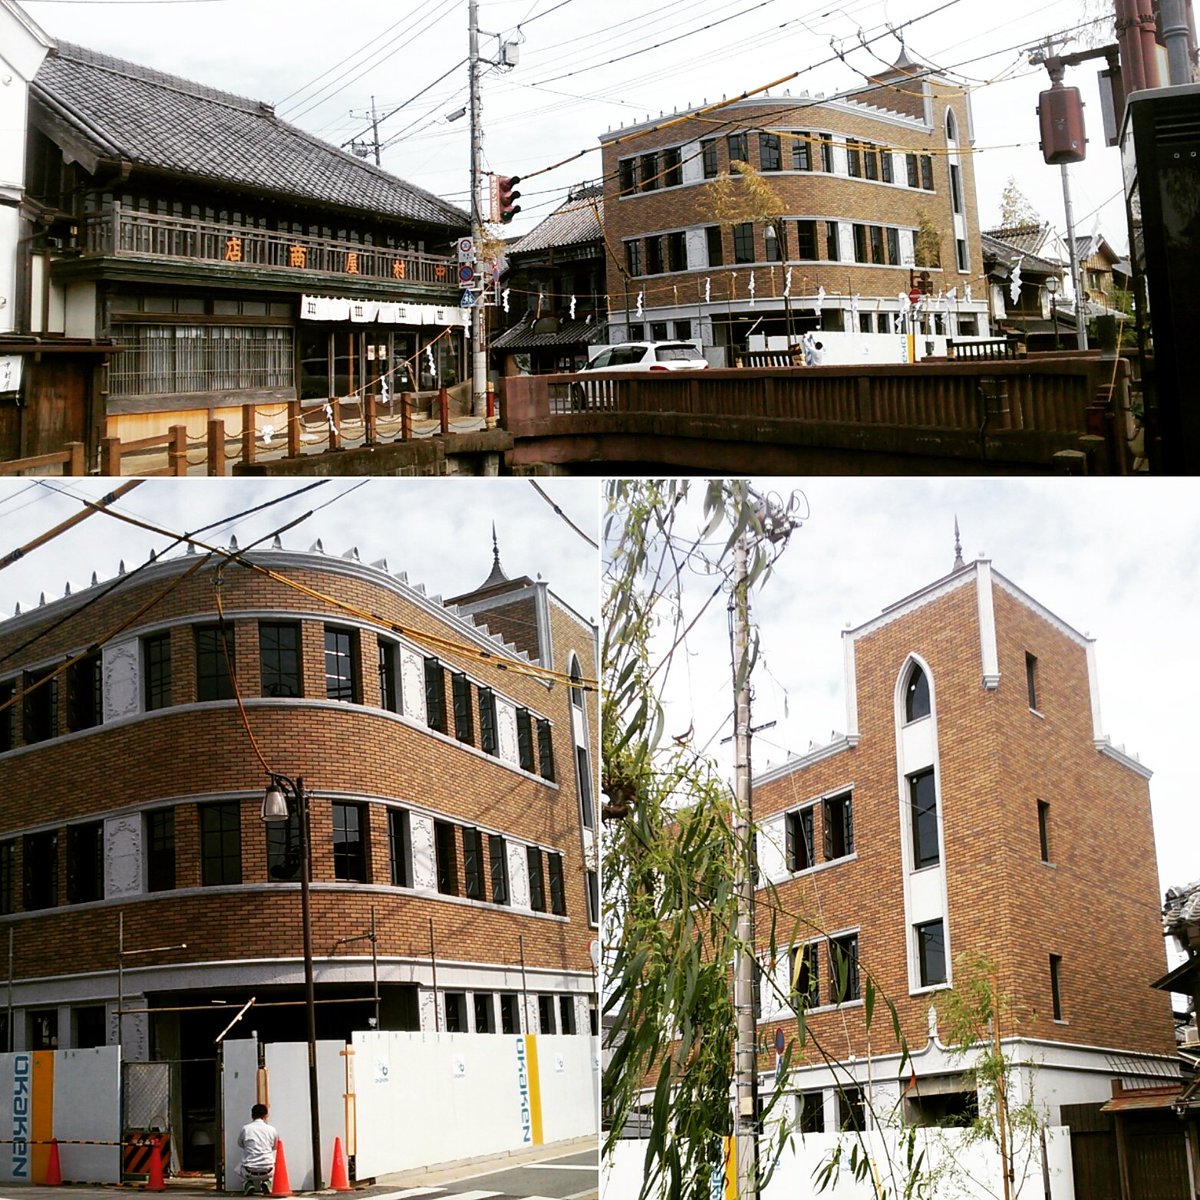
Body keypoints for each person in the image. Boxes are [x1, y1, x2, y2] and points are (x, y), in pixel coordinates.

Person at [238, 1104, 277, 1195]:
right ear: (266, 1115)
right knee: (272, 1159)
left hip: (249, 1171)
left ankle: (248, 1184)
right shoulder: (272, 1129)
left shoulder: (246, 1129)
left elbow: (240, 1143)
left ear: (252, 1115)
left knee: (237, 1168)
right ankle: (267, 1182)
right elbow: (275, 1146)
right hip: (268, 1170)